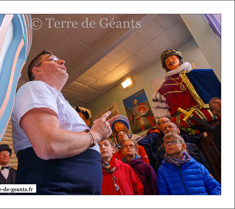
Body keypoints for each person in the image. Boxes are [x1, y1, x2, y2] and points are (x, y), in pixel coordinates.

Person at [11, 50, 116, 195]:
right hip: (54, 188)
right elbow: (48, 144)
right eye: (53, 59)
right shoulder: (34, 87)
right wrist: (95, 134)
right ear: (37, 70)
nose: (62, 61)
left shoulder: (59, 100)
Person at [152, 48, 221, 129]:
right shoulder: (163, 89)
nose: (170, 61)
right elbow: (164, 117)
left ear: (179, 59)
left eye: (173, 58)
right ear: (165, 66)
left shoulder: (196, 74)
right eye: (167, 61)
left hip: (213, 118)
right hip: (188, 127)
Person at [138, 117, 206, 170]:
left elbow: (204, 166)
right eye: (164, 127)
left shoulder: (192, 146)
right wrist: (153, 156)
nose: (167, 129)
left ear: (178, 130)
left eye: (169, 125)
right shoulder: (160, 149)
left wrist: (202, 135)